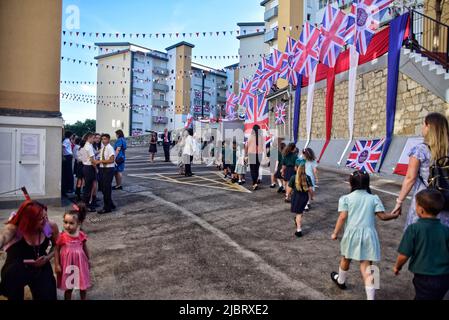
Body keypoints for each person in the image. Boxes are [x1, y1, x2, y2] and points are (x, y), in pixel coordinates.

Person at [330, 170, 400, 300]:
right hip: (369, 236)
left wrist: (335, 233)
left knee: (346, 258)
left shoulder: (346, 198)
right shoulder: (374, 198)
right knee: (368, 267)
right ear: (368, 183)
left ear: (351, 183)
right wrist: (394, 215)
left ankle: (340, 281)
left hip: (351, 235)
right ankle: (371, 297)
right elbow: (383, 216)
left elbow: (342, 217)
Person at [393, 112, 449, 228]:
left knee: (419, 236)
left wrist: (399, 202)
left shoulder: (420, 150)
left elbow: (410, 178)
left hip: (425, 201)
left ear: (429, 127)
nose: (422, 127)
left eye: (424, 124)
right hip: (444, 202)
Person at [394, 189, 449, 300]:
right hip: (444, 277)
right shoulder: (446, 230)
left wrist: (397, 266)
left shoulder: (414, 229)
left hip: (424, 277)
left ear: (421, 210)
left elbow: (404, 255)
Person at [0, 200, 59, 300]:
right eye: (41, 219)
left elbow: (57, 245)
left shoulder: (49, 226)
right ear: (29, 220)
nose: (45, 221)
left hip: (40, 264)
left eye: (46, 216)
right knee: (13, 295)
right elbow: (3, 236)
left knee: (48, 294)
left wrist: (47, 258)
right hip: (16, 266)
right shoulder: (15, 228)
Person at [55, 204, 91, 300]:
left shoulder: (81, 235)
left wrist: (88, 260)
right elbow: (56, 249)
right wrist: (57, 264)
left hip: (80, 263)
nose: (67, 225)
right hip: (67, 265)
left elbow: (84, 247)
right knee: (68, 287)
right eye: (65, 222)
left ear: (78, 223)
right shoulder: (62, 236)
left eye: (71, 223)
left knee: (82, 286)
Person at [286, 159, 313, 238]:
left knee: (298, 214)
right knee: (300, 212)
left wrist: (287, 195)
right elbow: (310, 189)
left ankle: (299, 230)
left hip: (296, 197)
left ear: (296, 167)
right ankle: (298, 221)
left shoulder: (293, 177)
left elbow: (289, 188)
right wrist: (312, 196)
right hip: (305, 197)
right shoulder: (307, 177)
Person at [98, 134, 116, 214]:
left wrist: (100, 161)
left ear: (108, 139)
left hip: (108, 169)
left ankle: (107, 208)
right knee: (103, 187)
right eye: (102, 139)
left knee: (106, 188)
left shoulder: (110, 148)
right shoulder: (103, 148)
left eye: (105, 139)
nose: (103, 140)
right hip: (103, 168)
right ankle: (110, 203)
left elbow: (111, 160)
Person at [81, 133, 99, 212]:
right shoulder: (89, 146)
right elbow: (92, 160)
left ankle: (86, 204)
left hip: (85, 167)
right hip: (89, 168)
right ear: (89, 138)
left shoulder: (86, 145)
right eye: (93, 138)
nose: (94, 140)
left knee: (88, 187)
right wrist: (96, 168)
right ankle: (87, 206)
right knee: (88, 188)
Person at [245, 125, 265, 191]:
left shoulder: (250, 137)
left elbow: (246, 146)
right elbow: (263, 146)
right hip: (259, 154)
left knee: (252, 170)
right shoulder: (261, 137)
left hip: (252, 154)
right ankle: (255, 182)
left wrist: (246, 155)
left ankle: (254, 183)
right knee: (257, 169)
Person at [62, 131, 74, 195]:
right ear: (70, 135)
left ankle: (69, 188)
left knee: (68, 172)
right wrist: (63, 155)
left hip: (68, 156)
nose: (72, 136)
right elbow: (62, 147)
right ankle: (69, 188)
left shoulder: (67, 140)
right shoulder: (67, 140)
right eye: (72, 135)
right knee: (69, 172)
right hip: (67, 157)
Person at [73, 137, 84, 201]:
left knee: (79, 180)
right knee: (82, 180)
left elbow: (77, 158)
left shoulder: (78, 148)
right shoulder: (82, 149)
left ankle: (78, 193)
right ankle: (79, 194)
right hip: (82, 166)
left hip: (79, 165)